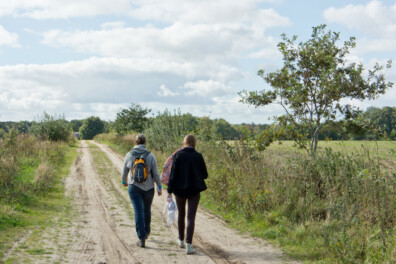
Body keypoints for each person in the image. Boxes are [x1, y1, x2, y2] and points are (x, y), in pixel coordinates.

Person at [167, 134, 208, 254]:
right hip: (194, 191)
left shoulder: (178, 155)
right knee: (191, 217)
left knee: (181, 214)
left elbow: (173, 175)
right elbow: (205, 175)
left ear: (185, 142)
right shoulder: (198, 156)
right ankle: (189, 245)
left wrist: (169, 191)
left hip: (180, 190)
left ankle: (180, 240)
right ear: (195, 143)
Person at [121, 134, 162, 248]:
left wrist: (124, 182)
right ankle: (147, 231)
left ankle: (141, 238)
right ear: (145, 143)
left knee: (138, 211)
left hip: (134, 187)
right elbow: (156, 174)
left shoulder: (129, 154)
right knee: (146, 209)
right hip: (149, 188)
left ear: (135, 143)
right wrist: (159, 186)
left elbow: (124, 171)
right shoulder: (151, 156)